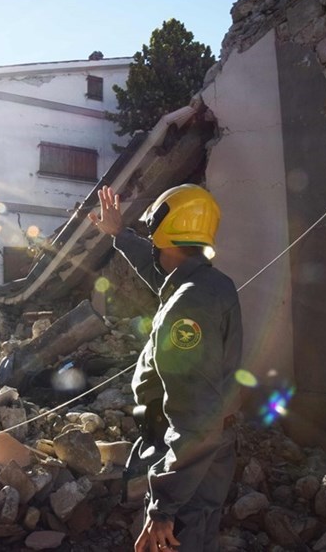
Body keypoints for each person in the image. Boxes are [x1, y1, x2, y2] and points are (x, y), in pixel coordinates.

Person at [88, 184, 243, 552]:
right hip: (198, 457)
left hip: (187, 459)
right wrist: (120, 235)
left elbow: (197, 415)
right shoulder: (208, 284)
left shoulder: (188, 306)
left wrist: (163, 507)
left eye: (153, 236)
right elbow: (161, 274)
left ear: (163, 235)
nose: (152, 244)